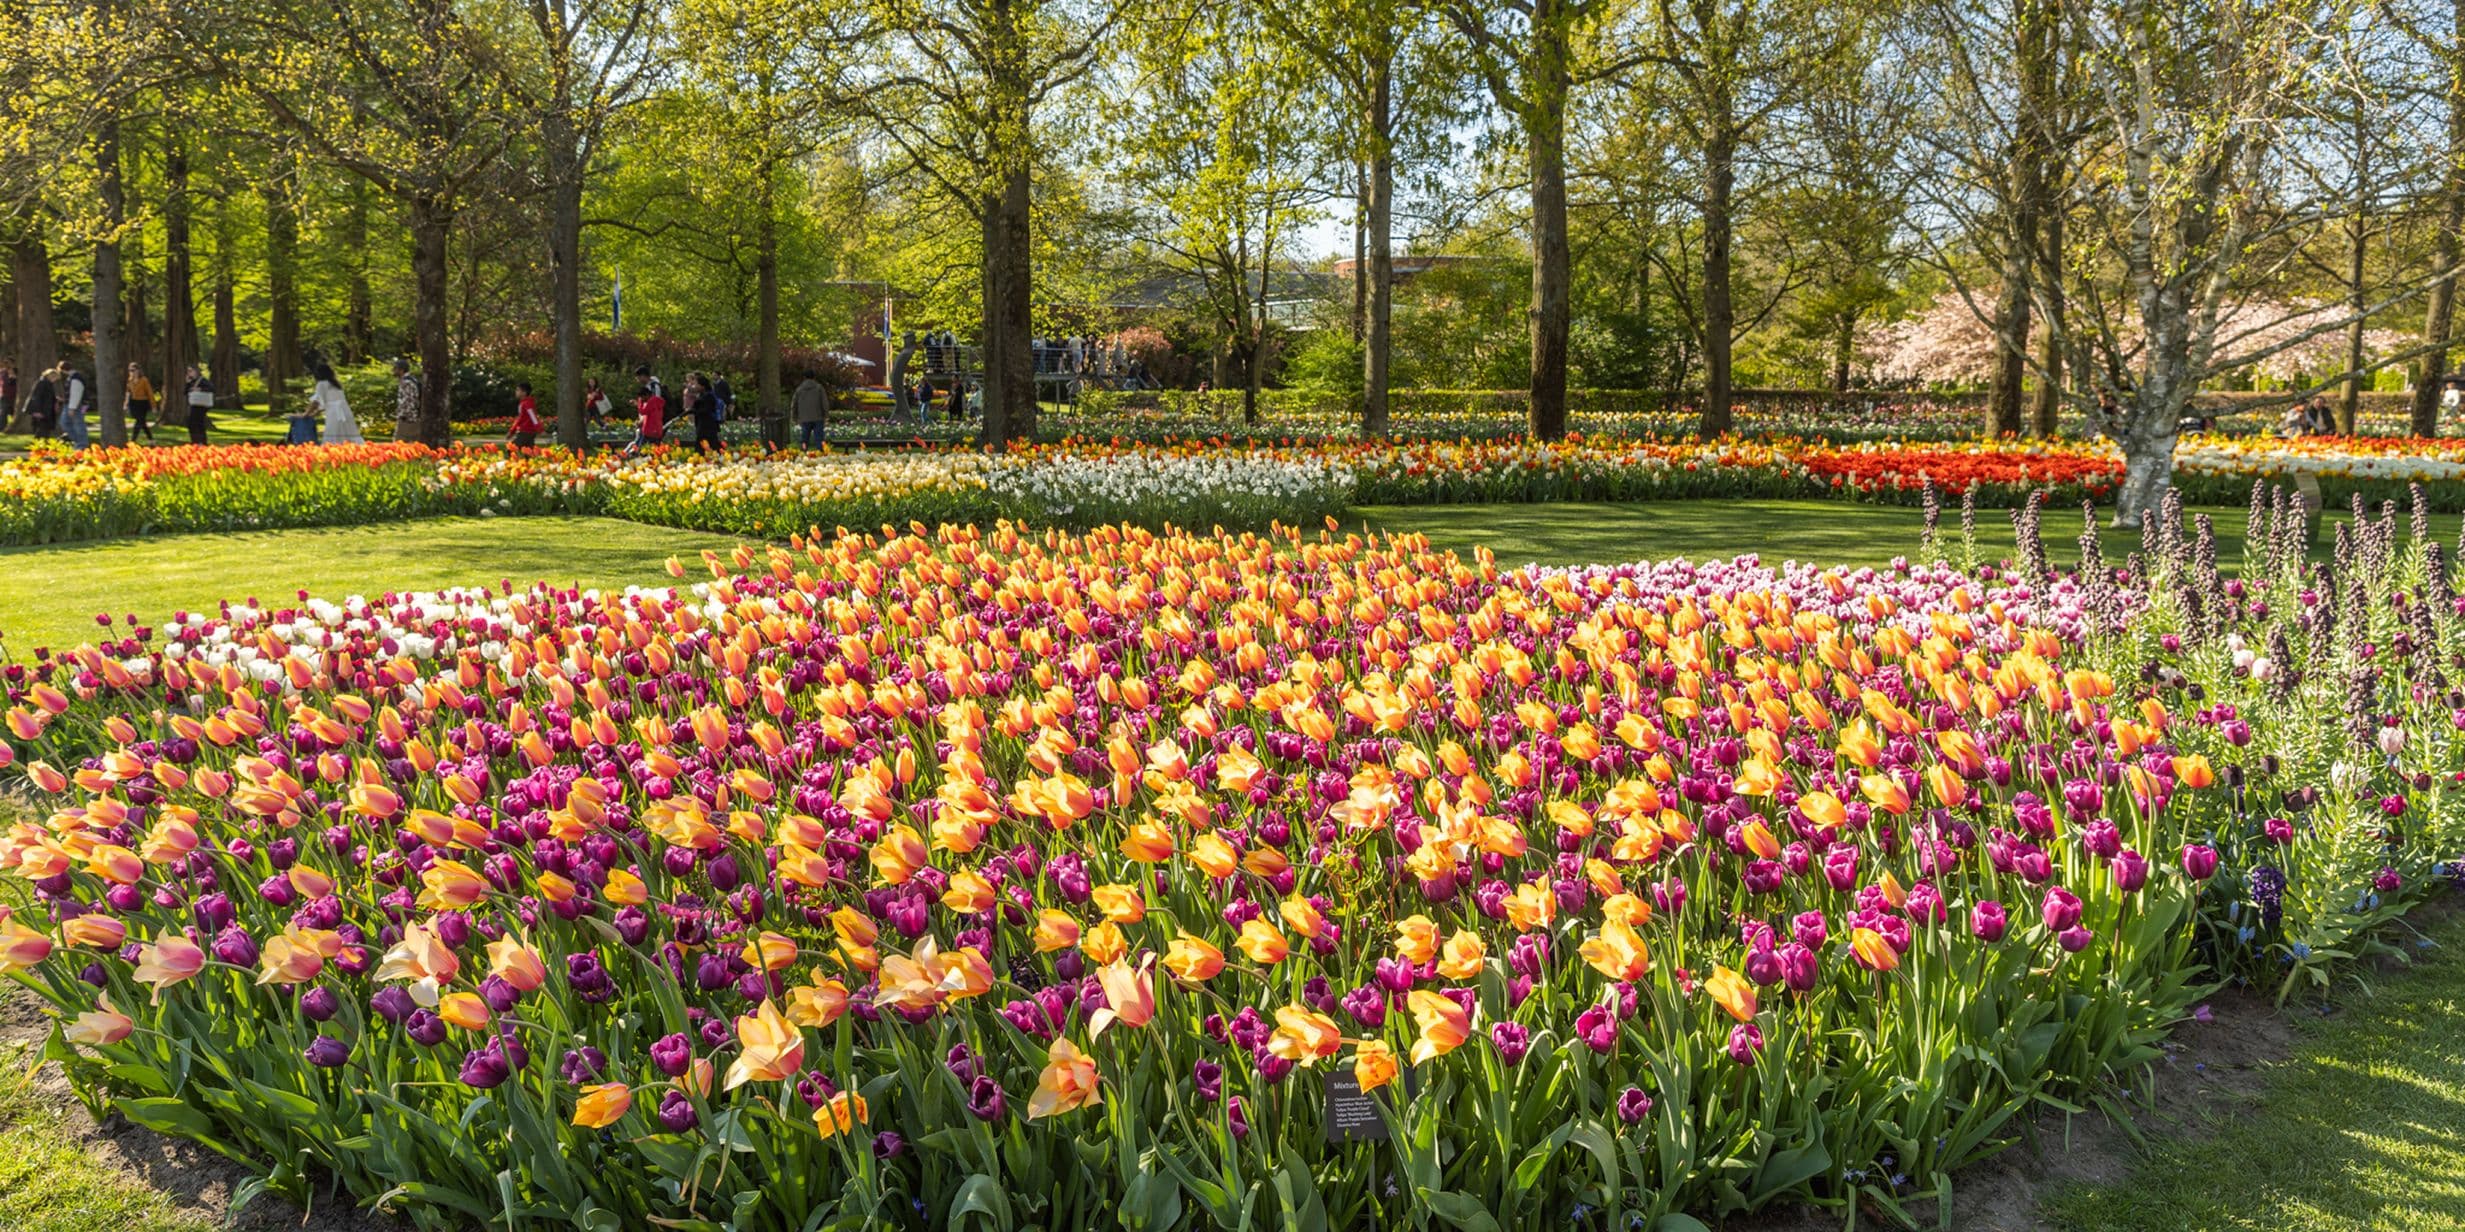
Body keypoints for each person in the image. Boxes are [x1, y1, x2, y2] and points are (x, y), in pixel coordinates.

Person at [308, 362, 363, 444]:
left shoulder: (321, 384)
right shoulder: (336, 384)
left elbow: (316, 401)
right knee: (348, 431)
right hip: (345, 410)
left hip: (334, 412)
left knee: (333, 431)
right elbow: (326, 402)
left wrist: (306, 414)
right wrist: (314, 413)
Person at [626, 367, 667, 455]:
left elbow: (652, 406)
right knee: (642, 440)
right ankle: (630, 453)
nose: (637, 380)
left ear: (644, 376)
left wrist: (639, 407)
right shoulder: (648, 387)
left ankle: (630, 454)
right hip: (648, 421)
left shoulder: (654, 387)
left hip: (651, 422)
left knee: (643, 441)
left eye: (638, 377)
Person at [684, 371, 721, 452]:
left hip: (708, 426)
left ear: (702, 386)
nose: (695, 386)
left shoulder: (709, 396)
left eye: (696, 384)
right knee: (705, 446)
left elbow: (706, 410)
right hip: (702, 425)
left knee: (709, 446)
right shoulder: (701, 395)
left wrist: (694, 411)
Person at [22, 364, 59, 441]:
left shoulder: (47, 384)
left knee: (44, 429)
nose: (55, 379)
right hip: (42, 410)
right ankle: (39, 445)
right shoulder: (42, 383)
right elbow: (36, 397)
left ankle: (42, 444)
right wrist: (37, 410)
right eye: (55, 377)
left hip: (45, 409)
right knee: (41, 429)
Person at [791, 370, 827, 448]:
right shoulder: (819, 388)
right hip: (818, 417)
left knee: (804, 439)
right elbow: (824, 403)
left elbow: (794, 405)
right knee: (819, 439)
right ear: (814, 377)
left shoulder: (799, 389)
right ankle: (820, 455)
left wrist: (794, 417)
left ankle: (804, 454)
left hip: (804, 418)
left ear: (804, 377)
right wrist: (825, 415)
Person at [58, 364, 89, 449]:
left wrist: (72, 407)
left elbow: (76, 394)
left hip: (76, 405)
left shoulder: (75, 378)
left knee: (77, 424)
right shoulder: (72, 377)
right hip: (72, 404)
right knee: (66, 423)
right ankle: (79, 441)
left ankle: (81, 444)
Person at [123, 363, 155, 442]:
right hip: (134, 403)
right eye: (130, 370)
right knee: (141, 422)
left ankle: (133, 440)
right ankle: (151, 439)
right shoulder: (130, 380)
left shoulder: (144, 380)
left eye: (133, 370)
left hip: (143, 402)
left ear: (138, 371)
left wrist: (153, 406)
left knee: (140, 421)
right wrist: (125, 404)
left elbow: (149, 393)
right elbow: (128, 392)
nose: (132, 372)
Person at [183, 365, 214, 444]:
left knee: (198, 423)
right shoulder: (191, 382)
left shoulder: (202, 380)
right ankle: (195, 440)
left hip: (201, 405)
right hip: (194, 405)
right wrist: (187, 383)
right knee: (192, 423)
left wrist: (199, 389)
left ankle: (201, 441)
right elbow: (185, 392)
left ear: (196, 372)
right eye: (188, 372)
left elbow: (211, 388)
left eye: (191, 371)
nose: (189, 373)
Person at [393, 359, 421, 437]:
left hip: (408, 419)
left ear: (401, 370)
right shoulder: (412, 380)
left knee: (399, 444)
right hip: (412, 417)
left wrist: (403, 416)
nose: (393, 370)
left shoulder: (407, 382)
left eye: (395, 368)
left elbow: (409, 400)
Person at [510, 381, 542, 447]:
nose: (516, 392)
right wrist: (512, 431)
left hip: (526, 431)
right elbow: (520, 418)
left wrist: (540, 429)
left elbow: (533, 416)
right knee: (529, 453)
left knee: (511, 448)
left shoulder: (527, 403)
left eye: (518, 390)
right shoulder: (524, 403)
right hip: (528, 431)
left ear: (524, 393)